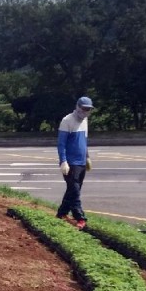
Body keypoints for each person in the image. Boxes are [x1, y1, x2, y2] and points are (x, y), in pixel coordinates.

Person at [56, 96, 95, 230]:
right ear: (78, 107)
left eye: (88, 110)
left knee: (72, 191)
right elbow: (61, 144)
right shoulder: (67, 121)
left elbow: (84, 140)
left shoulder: (85, 121)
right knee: (75, 191)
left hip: (81, 162)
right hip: (71, 163)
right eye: (84, 109)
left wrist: (87, 157)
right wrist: (63, 161)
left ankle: (62, 213)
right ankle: (80, 218)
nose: (86, 112)